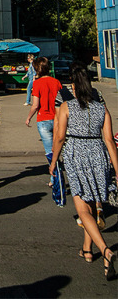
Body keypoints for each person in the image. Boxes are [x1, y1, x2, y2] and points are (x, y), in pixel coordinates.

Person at [49, 63, 117, 280]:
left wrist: (53, 162)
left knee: (83, 211)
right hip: (99, 156)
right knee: (92, 204)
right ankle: (87, 250)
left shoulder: (67, 106)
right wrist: (117, 168)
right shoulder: (102, 109)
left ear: (73, 86)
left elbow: (59, 136)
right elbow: (109, 141)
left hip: (76, 154)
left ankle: (105, 251)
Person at [54, 61, 107, 231]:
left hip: (73, 145)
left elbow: (58, 125)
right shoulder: (96, 93)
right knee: (95, 181)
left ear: (71, 78)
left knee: (81, 187)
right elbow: (103, 118)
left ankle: (86, 217)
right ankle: (98, 207)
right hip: (96, 144)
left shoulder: (62, 94)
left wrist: (55, 156)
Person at [25, 56, 62, 182]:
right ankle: (57, 175)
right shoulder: (56, 82)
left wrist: (28, 118)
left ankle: (55, 179)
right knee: (58, 149)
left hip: (43, 119)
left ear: (37, 69)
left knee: (49, 152)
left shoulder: (37, 83)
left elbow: (35, 105)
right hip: (58, 119)